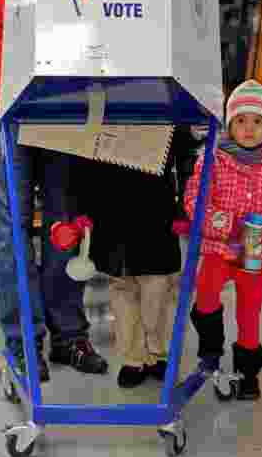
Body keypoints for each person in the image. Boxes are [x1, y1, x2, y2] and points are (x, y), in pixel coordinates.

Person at [0, 0, 108, 378]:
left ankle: (68, 334)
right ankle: (23, 341)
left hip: (65, 103)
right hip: (4, 100)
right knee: (10, 226)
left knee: (66, 223)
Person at [185, 80, 262, 400]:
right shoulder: (213, 159)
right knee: (206, 296)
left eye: (257, 121)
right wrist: (226, 225)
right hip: (219, 249)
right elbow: (195, 200)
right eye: (240, 120)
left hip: (257, 255)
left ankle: (248, 372)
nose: (249, 129)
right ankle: (211, 347)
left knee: (250, 312)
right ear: (229, 124)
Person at [71, 127, 191, 388]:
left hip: (155, 203)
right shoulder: (102, 100)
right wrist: (81, 207)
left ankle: (159, 352)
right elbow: (83, 155)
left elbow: (185, 153)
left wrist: (184, 207)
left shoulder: (166, 97)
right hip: (110, 206)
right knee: (123, 289)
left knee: (158, 286)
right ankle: (133, 358)